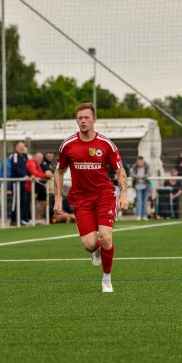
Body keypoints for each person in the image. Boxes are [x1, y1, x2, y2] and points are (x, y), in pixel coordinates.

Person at [54, 102, 128, 293]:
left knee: (105, 237)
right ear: (76, 120)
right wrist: (57, 199)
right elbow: (59, 171)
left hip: (104, 196)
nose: (83, 121)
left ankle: (106, 279)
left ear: (94, 119)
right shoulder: (67, 145)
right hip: (81, 199)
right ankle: (95, 251)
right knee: (89, 244)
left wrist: (124, 194)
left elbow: (120, 170)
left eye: (87, 117)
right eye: (80, 118)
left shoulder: (106, 144)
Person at [26, 152, 53, 222]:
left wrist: (46, 175)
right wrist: (45, 175)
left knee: (45, 201)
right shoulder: (31, 162)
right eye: (39, 158)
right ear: (35, 157)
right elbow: (35, 173)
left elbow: (39, 173)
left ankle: (35, 217)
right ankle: (31, 218)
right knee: (31, 202)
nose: (41, 160)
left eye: (41, 158)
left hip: (39, 185)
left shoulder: (38, 164)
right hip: (30, 186)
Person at [10, 141, 31, 226]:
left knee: (24, 200)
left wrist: (30, 175)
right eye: (20, 147)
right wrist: (23, 175)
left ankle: (22, 218)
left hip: (23, 183)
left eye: (23, 147)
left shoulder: (25, 157)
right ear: (17, 148)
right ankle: (13, 220)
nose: (22, 149)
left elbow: (27, 168)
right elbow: (16, 168)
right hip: (16, 182)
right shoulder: (15, 156)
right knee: (15, 201)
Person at [130, 156, 151, 221]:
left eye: (140, 161)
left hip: (145, 185)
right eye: (138, 161)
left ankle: (144, 215)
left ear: (143, 161)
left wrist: (143, 176)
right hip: (137, 186)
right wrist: (137, 176)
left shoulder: (147, 166)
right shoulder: (135, 166)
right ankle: (139, 215)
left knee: (145, 201)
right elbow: (132, 174)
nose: (139, 163)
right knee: (139, 201)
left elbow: (149, 174)